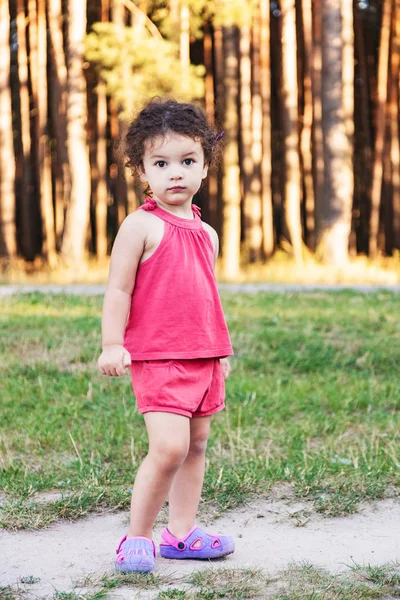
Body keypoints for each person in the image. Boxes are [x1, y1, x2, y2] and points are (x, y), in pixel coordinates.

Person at [97, 98, 235, 573]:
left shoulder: (207, 232)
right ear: (141, 171)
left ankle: (181, 532)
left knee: (196, 445)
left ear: (204, 165)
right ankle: (137, 536)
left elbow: (204, 295)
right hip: (158, 358)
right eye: (161, 163)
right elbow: (118, 289)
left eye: (187, 161)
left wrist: (220, 348)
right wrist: (112, 343)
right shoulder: (140, 226)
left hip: (203, 358)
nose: (175, 173)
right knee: (169, 447)